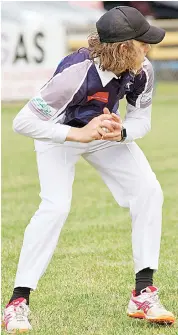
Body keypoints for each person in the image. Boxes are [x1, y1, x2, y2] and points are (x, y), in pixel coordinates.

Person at [2, 6, 175, 333]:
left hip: (101, 133)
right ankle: (17, 303)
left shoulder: (142, 70)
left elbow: (141, 120)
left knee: (148, 190)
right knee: (55, 207)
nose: (148, 50)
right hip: (57, 135)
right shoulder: (76, 73)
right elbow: (22, 122)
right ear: (124, 48)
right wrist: (78, 134)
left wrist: (121, 132)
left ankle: (143, 292)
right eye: (143, 43)